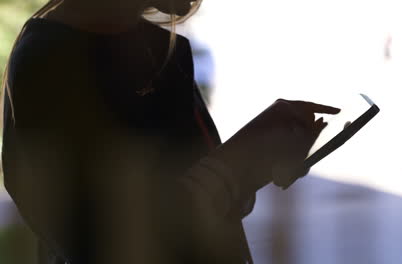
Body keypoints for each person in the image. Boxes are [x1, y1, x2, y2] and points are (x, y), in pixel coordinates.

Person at [0, 0, 340, 263]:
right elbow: (100, 242)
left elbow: (201, 196)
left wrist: (258, 160)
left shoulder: (159, 49)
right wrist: (232, 165)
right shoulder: (50, 63)